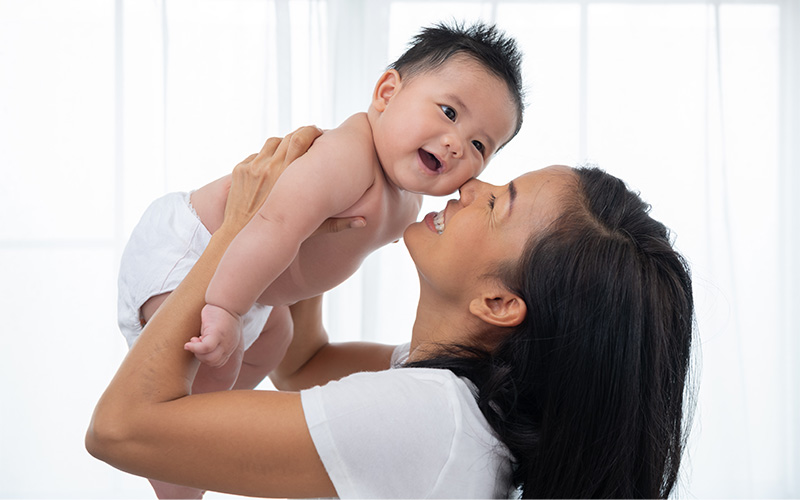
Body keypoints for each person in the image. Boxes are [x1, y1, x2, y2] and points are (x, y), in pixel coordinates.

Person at [88, 126, 695, 499]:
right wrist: (302, 215)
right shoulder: (462, 403)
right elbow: (304, 364)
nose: (471, 186)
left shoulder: (431, 421)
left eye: (496, 205)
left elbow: (119, 431)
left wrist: (237, 229)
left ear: (500, 303)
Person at [117, 21, 524, 408]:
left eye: (479, 145)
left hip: (249, 289)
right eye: (449, 113)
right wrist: (226, 308)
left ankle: (200, 436)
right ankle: (182, 441)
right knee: (186, 391)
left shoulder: (410, 204)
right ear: (387, 93)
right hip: (193, 251)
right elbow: (275, 224)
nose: (457, 144)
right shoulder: (349, 154)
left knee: (271, 344)